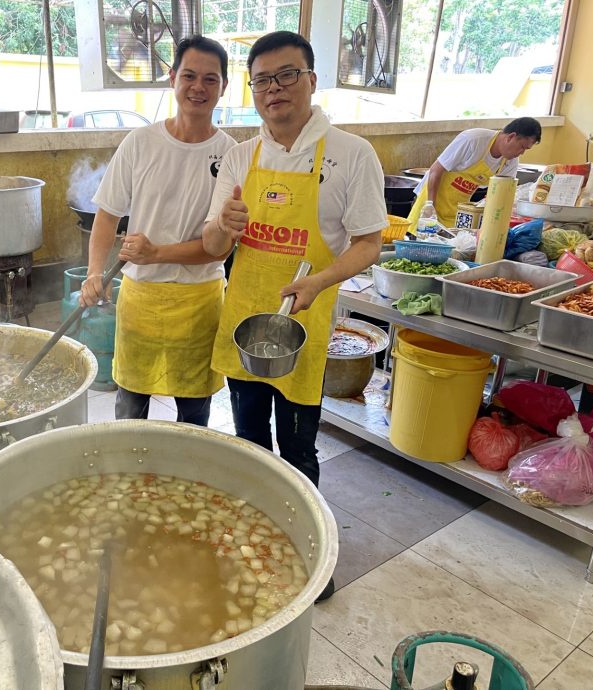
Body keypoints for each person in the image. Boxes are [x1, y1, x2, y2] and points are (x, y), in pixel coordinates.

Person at [202, 31, 387, 599]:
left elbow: (368, 243)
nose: (274, 89)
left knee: (299, 447)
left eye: (287, 75)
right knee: (251, 439)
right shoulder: (241, 155)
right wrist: (222, 228)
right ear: (251, 88)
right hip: (245, 323)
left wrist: (319, 281)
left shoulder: (351, 154)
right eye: (262, 80)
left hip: (305, 324)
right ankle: (256, 534)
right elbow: (212, 247)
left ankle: (310, 554)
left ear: (310, 79)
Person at [80, 35, 235, 426]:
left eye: (210, 79)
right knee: (130, 408)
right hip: (140, 298)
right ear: (172, 78)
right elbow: (107, 215)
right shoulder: (141, 142)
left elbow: (219, 247)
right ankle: (127, 479)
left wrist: (156, 253)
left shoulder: (232, 155)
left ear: (224, 87)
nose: (198, 87)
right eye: (190, 76)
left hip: (199, 300)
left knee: (194, 412)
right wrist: (95, 272)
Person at [407, 117, 542, 229]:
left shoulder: (510, 162)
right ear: (511, 137)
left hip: (459, 209)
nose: (522, 152)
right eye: (522, 147)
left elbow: (502, 193)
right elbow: (436, 169)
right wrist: (430, 204)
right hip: (431, 198)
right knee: (419, 238)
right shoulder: (473, 140)